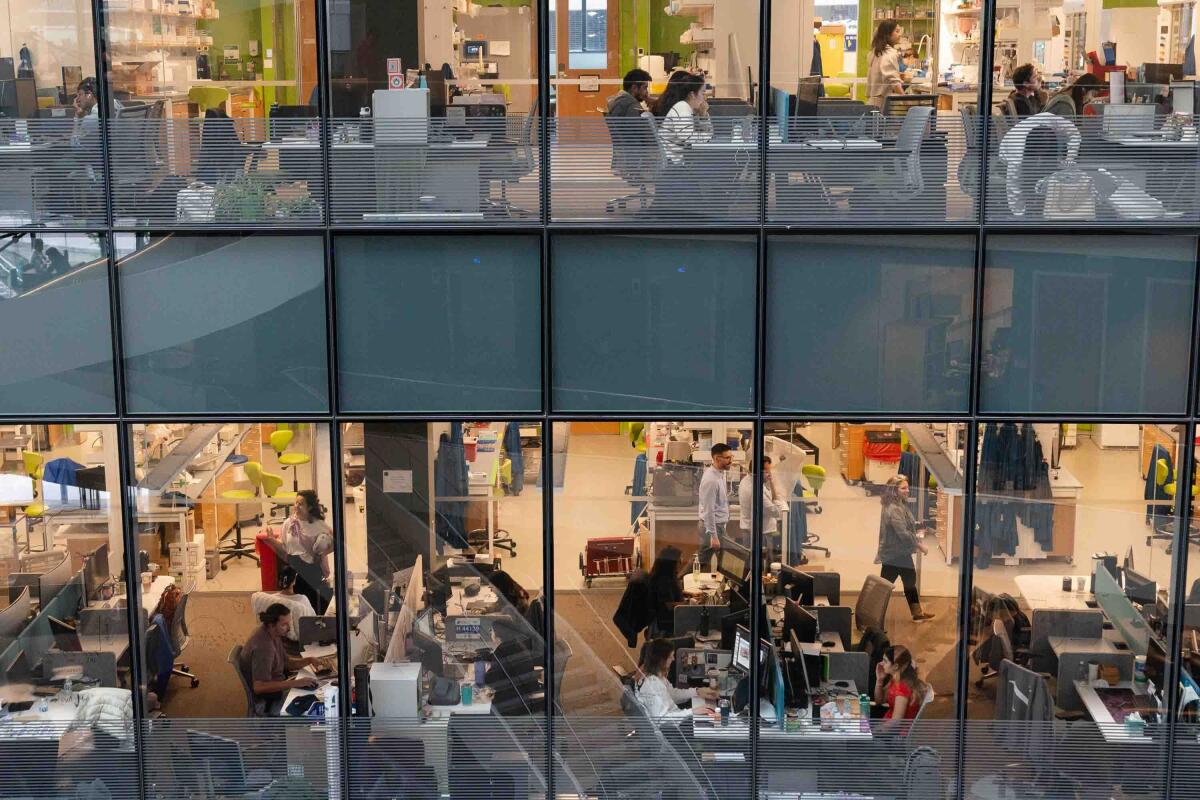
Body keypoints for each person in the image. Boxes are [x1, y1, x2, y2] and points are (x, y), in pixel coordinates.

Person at [239, 604, 321, 715]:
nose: (289, 628)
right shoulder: (263, 647)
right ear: (272, 625)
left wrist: (309, 660)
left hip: (279, 687)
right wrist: (295, 683)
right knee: (315, 704)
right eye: (284, 625)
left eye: (288, 623)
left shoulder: (273, 634)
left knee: (316, 694)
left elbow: (287, 663)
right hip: (270, 700)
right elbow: (259, 687)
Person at [876, 475, 935, 621]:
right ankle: (873, 614)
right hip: (896, 553)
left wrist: (917, 526)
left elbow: (904, 525)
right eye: (903, 488)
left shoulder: (896, 504)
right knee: (887, 585)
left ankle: (917, 613)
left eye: (907, 487)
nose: (907, 490)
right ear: (894, 490)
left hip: (896, 552)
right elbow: (902, 533)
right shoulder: (894, 509)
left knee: (904, 581)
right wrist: (920, 545)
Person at [635, 637, 719, 724]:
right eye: (670, 656)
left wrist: (697, 691)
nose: (673, 659)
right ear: (662, 660)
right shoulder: (653, 684)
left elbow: (672, 694)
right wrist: (692, 711)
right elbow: (663, 719)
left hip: (676, 720)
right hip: (673, 727)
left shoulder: (655, 676)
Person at [281, 490, 334, 614]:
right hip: (294, 569)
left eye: (301, 504)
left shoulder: (319, 525)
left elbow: (336, 543)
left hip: (311, 572)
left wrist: (323, 553)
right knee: (296, 608)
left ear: (309, 507)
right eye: (296, 503)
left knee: (311, 608)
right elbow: (284, 546)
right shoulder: (288, 523)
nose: (296, 506)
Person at [655, 70, 713, 164]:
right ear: (692, 95)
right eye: (703, 93)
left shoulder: (687, 108)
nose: (705, 97)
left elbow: (702, 134)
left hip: (677, 159)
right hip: (675, 162)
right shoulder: (682, 108)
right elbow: (689, 138)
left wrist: (703, 115)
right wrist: (707, 136)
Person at [251, 565, 316, 643]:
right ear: (294, 582)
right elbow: (314, 622)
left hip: (274, 641)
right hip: (295, 644)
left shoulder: (271, 599)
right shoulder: (302, 599)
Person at [738, 455, 787, 552]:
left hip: (750, 530)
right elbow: (776, 512)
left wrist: (770, 482)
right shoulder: (756, 491)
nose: (769, 474)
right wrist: (776, 498)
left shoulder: (746, 480)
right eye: (767, 471)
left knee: (749, 559)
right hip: (761, 534)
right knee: (764, 561)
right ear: (759, 472)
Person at [873, 644, 928, 730]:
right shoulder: (896, 680)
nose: (881, 664)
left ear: (895, 666)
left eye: (885, 661)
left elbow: (896, 722)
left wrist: (874, 731)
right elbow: (879, 700)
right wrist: (879, 680)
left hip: (896, 734)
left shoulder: (902, 687)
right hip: (887, 728)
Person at [698, 443, 733, 570]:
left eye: (731, 457)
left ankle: (681, 579)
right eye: (727, 458)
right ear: (717, 459)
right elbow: (709, 510)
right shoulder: (711, 480)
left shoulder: (719, 474)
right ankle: (681, 580)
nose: (731, 461)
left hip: (716, 527)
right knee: (729, 561)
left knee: (721, 561)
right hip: (713, 528)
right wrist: (713, 536)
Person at [646, 546, 690, 634]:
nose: (680, 562)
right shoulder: (663, 581)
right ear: (671, 563)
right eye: (679, 560)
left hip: (666, 617)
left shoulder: (664, 575)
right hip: (668, 621)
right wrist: (689, 603)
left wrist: (688, 593)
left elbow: (671, 593)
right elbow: (669, 606)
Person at [867, 20, 905, 109]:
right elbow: (894, 82)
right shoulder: (889, 54)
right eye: (897, 31)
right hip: (883, 103)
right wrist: (906, 102)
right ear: (888, 34)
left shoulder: (875, 52)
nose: (900, 35)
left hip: (872, 101)